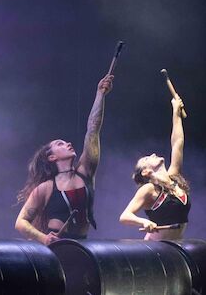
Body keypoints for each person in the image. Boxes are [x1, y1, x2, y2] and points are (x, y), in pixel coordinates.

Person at [15, 74, 113, 244]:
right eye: (60, 144)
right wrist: (44, 238)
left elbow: (93, 130)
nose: (68, 143)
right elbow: (21, 222)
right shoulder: (45, 189)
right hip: (57, 247)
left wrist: (100, 94)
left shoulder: (85, 172)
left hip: (83, 244)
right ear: (51, 157)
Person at [119, 97, 190, 240]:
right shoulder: (149, 189)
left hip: (175, 246)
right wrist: (144, 221)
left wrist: (175, 111)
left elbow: (177, 142)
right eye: (147, 159)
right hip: (155, 248)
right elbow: (125, 216)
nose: (152, 154)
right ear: (145, 171)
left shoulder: (174, 177)